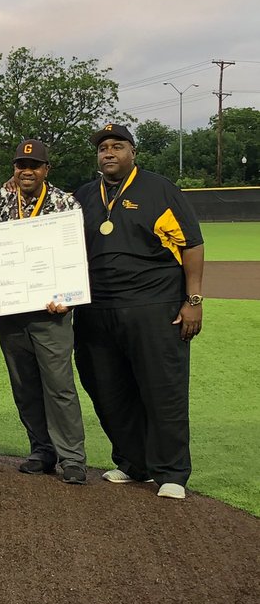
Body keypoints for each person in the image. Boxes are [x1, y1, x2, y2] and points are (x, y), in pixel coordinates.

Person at [73, 123, 204, 500]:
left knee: (163, 389)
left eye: (117, 146)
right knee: (107, 388)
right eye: (103, 148)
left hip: (154, 306)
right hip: (97, 310)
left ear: (133, 152)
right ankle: (135, 463)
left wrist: (193, 300)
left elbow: (191, 244)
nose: (108, 153)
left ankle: (172, 472)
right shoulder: (85, 195)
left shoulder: (159, 189)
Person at [0, 139, 88, 484]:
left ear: (46, 170)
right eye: (20, 165)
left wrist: (69, 296)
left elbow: (75, 256)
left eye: (34, 166)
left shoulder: (64, 202)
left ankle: (72, 458)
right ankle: (42, 449)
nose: (26, 171)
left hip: (51, 312)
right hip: (11, 310)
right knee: (24, 384)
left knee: (59, 385)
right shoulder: (2, 198)